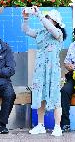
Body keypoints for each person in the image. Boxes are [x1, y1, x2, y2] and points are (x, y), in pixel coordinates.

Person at [22, 7, 67, 137]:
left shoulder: (58, 32)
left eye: (49, 18)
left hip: (53, 70)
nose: (46, 19)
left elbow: (51, 29)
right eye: (46, 17)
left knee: (55, 97)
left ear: (55, 21)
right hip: (40, 69)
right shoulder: (41, 32)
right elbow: (26, 30)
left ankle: (57, 126)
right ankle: (40, 125)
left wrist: (39, 15)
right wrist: (25, 18)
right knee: (39, 96)